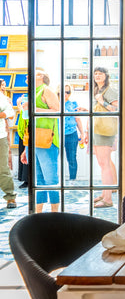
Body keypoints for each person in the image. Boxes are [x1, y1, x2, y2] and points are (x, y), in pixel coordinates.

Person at [21, 70, 60, 212]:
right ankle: (38, 213)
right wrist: (26, 148)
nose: (27, 75)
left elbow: (57, 112)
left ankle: (55, 213)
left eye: (32, 73)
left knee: (50, 179)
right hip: (33, 141)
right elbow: (28, 121)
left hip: (47, 141)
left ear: (41, 77)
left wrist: (33, 108)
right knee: (38, 180)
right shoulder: (32, 93)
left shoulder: (46, 90)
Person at [86, 67, 117, 208]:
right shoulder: (96, 90)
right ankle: (105, 194)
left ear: (106, 76)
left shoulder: (109, 90)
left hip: (104, 131)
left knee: (105, 164)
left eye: (100, 73)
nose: (97, 76)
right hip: (97, 129)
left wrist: (102, 102)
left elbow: (116, 109)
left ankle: (108, 199)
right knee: (102, 164)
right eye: (95, 74)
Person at [62, 84, 85, 181]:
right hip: (57, 134)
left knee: (71, 158)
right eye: (63, 91)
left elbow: (77, 119)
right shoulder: (54, 103)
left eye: (68, 92)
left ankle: (72, 180)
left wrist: (82, 133)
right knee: (53, 158)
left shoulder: (73, 104)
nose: (65, 94)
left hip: (71, 134)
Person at [0, 78, 16, 209]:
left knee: (3, 168)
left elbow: (11, 112)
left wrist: (2, 114)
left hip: (0, 137)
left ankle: (10, 197)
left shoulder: (1, 97)